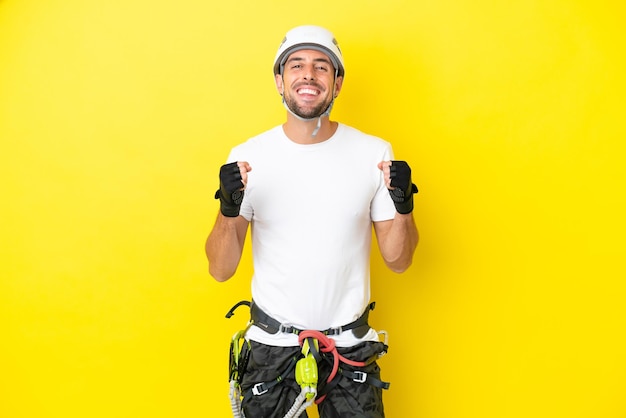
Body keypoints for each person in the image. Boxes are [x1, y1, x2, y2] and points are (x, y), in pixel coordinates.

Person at [205, 25, 419, 418]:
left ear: (337, 84)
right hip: (272, 352)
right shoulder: (249, 156)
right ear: (279, 79)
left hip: (350, 352)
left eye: (322, 67)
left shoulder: (373, 152)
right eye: (297, 65)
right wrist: (228, 209)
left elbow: (399, 260)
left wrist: (403, 205)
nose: (308, 75)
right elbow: (221, 269)